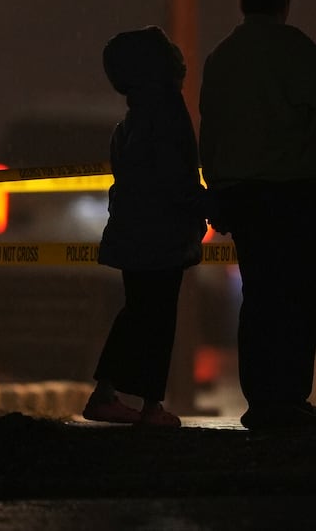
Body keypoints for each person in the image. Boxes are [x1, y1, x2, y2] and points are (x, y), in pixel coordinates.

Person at [200, 0, 316, 430]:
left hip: (246, 197)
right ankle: (288, 393)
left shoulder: (222, 57)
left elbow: (212, 133)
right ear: (284, 2)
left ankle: (263, 397)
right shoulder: (292, 48)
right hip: (297, 193)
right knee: (307, 291)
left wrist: (219, 190)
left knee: (262, 296)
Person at [83, 26, 208, 427]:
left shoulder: (135, 116)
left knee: (137, 312)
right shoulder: (167, 109)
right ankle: (151, 405)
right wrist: (207, 204)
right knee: (158, 317)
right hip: (162, 234)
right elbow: (175, 177)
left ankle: (108, 393)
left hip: (136, 231)